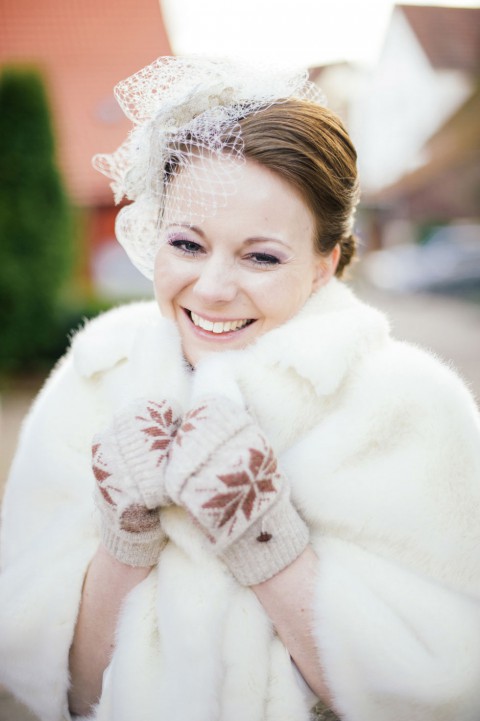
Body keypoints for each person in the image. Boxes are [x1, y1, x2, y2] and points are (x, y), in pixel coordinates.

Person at [0, 56, 479, 721]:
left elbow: (439, 695)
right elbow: (60, 690)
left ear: (324, 263)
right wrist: (124, 539)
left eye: (261, 255)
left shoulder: (411, 407)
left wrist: (268, 543)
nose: (214, 287)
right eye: (188, 244)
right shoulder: (93, 378)